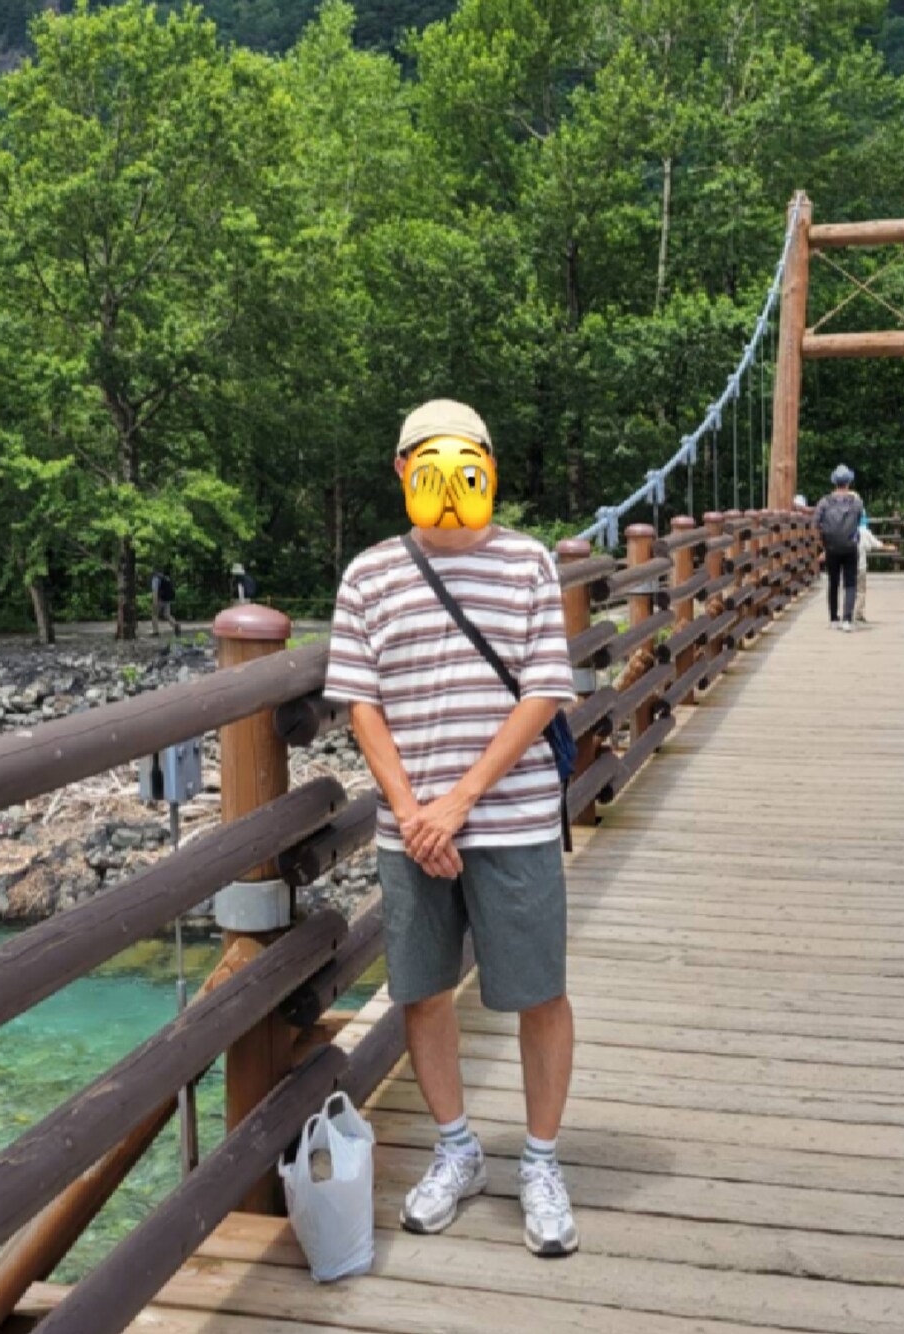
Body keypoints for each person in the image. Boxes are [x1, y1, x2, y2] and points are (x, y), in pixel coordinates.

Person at [324, 398, 579, 1258]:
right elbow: (361, 702)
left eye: (466, 458)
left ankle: (540, 1161)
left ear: (486, 466)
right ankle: (457, 1149)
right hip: (412, 831)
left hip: (511, 819)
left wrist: (458, 802)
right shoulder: (368, 575)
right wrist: (410, 811)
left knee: (539, 991)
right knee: (422, 990)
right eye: (430, 460)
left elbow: (544, 690)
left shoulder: (529, 562)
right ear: (403, 470)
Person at [814, 464, 863, 632]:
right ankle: (847, 620)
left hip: (831, 548)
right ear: (848, 482)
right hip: (850, 547)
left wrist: (822, 544)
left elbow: (816, 524)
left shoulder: (824, 502)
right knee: (850, 583)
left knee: (833, 582)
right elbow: (858, 521)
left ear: (834, 482)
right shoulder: (856, 502)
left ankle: (834, 619)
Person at [854, 513, 894, 623]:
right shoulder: (865, 532)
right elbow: (877, 544)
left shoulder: (846, 530)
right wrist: (888, 547)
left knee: (849, 589)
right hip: (860, 566)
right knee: (861, 591)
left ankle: (848, 612)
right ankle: (858, 613)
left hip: (848, 566)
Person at [150, 570, 181, 637]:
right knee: (167, 614)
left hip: (160, 599)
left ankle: (155, 631)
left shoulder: (155, 579)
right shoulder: (165, 578)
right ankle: (175, 624)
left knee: (154, 615)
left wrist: (155, 602)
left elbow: (155, 591)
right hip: (167, 599)